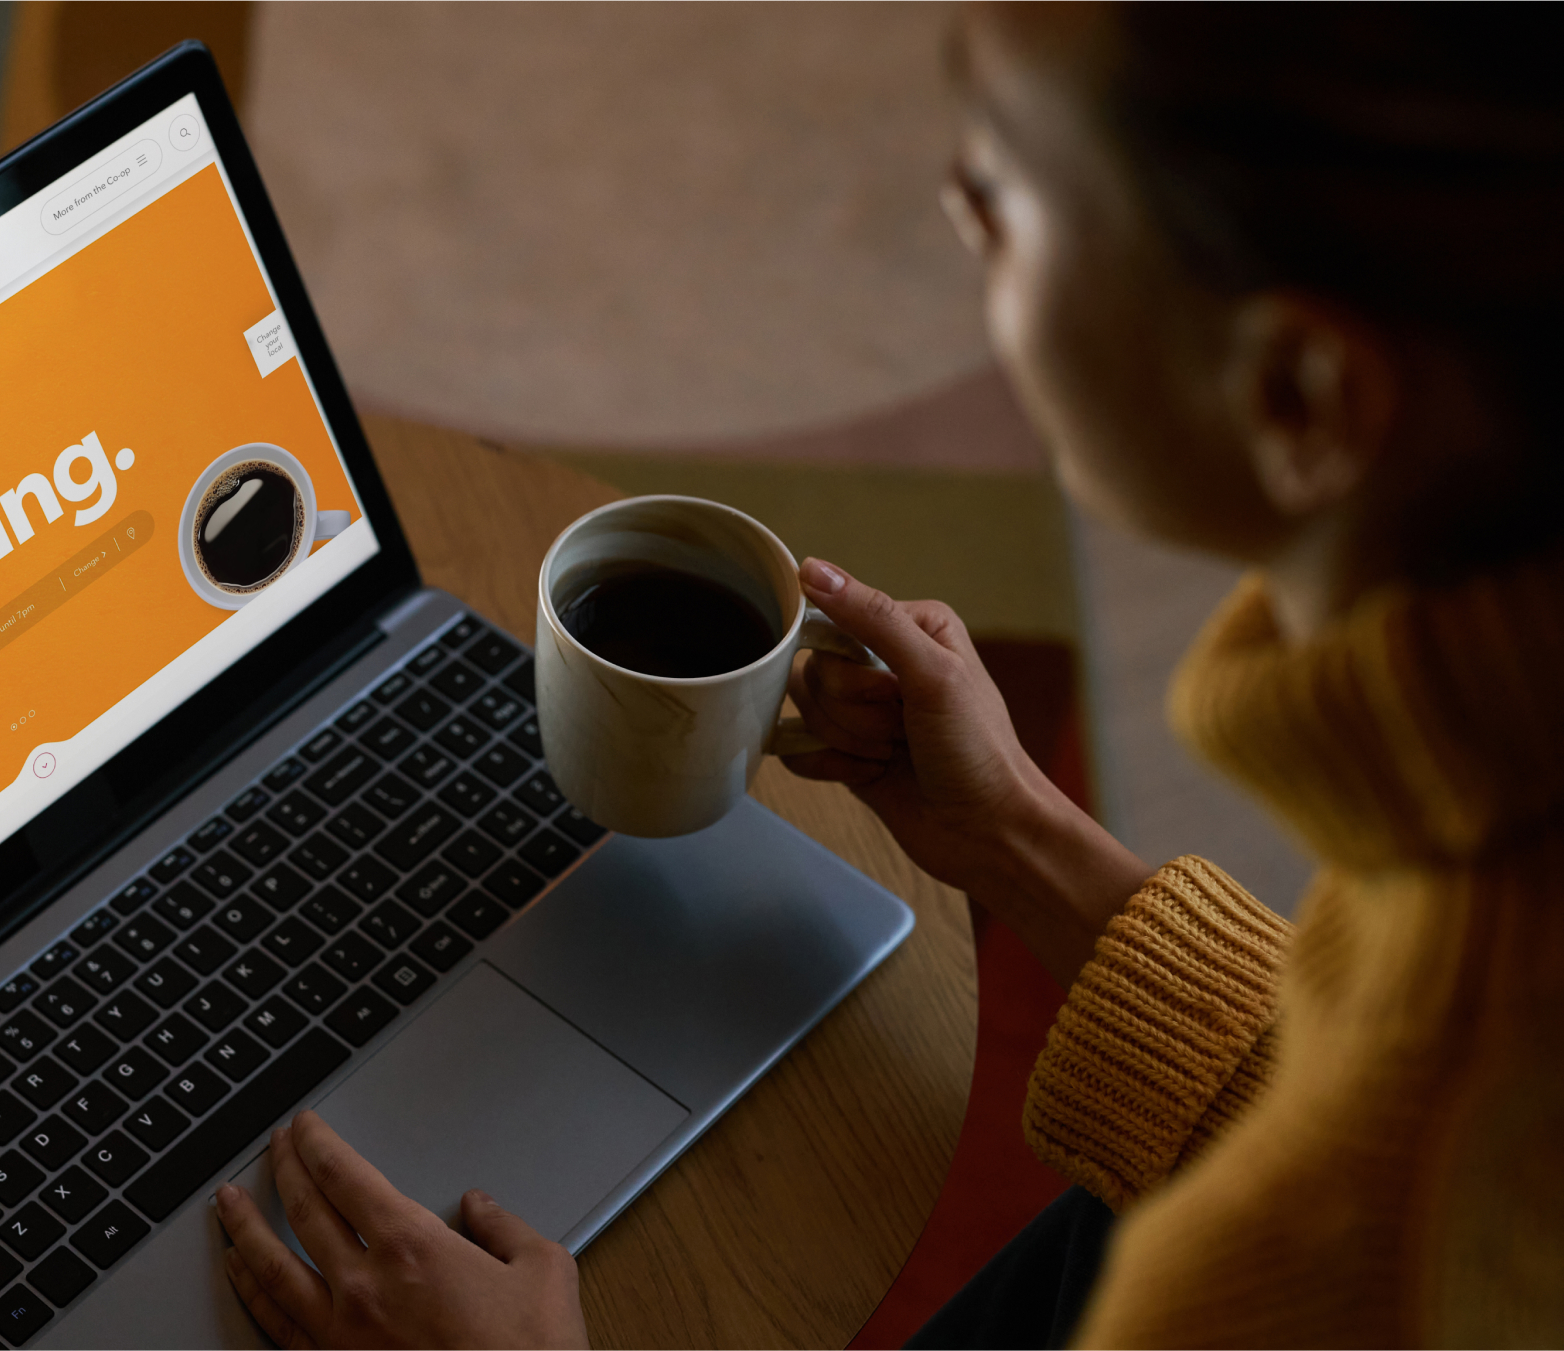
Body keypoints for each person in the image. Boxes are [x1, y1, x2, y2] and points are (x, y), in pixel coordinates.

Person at [211, 3, 1564, 1346]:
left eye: (1010, 189)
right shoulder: (1481, 813)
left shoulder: (1423, 1223)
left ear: (1298, 397)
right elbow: (1339, 1080)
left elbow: (1379, 1191)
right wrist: (1018, 836)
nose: (950, 205)